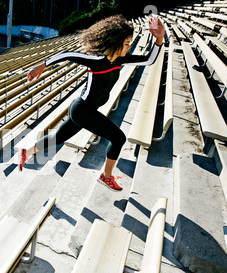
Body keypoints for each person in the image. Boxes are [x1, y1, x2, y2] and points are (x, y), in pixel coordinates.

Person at [20, 15, 165, 192]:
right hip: (83, 110)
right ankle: (106, 176)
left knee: (58, 137)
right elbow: (66, 54)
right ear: (115, 43)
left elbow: (149, 60)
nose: (129, 46)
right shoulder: (96, 61)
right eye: (126, 43)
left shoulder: (120, 60)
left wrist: (159, 39)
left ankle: (26, 152)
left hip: (83, 110)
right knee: (118, 138)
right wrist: (42, 66)